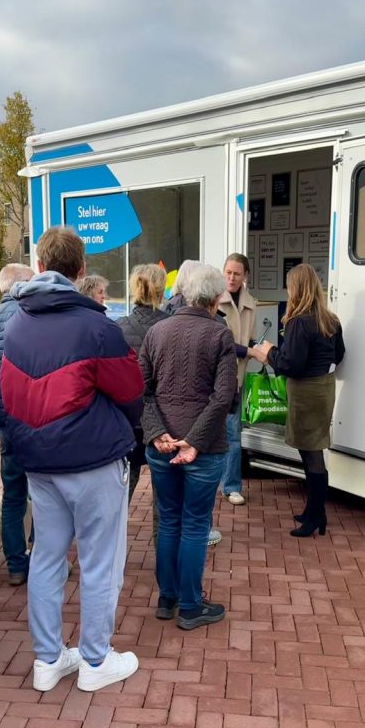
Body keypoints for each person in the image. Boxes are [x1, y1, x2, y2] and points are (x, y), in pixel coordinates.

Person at [1, 226, 143, 692]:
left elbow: (6, 393)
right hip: (91, 460)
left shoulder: (15, 322)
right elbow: (130, 390)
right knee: (100, 562)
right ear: (80, 269)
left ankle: (47, 660)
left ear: (40, 265)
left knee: (46, 558)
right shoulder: (97, 326)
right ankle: (95, 662)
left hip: (38, 461)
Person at [139, 263, 236, 631]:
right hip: (204, 449)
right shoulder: (219, 334)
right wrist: (194, 441)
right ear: (214, 298)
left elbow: (141, 390)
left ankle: (168, 599)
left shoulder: (156, 331)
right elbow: (223, 396)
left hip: (163, 446)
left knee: (169, 521)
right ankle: (191, 606)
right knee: (195, 525)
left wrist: (157, 432)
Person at [249, 264, 345, 537]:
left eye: (289, 286)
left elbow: (291, 365)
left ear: (297, 289)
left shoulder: (298, 322)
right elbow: (339, 355)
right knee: (311, 450)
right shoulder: (331, 319)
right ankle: (314, 511)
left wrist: (269, 352)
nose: (287, 291)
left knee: (311, 453)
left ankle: (316, 516)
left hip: (305, 392)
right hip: (324, 389)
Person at [0, 262, 35, 586]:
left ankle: (15, 564)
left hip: (4, 423)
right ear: (22, 284)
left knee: (13, 493)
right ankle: (41, 558)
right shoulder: (28, 318)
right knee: (42, 492)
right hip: (32, 420)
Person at [116, 264, 168, 508]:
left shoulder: (118, 327)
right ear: (161, 289)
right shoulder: (175, 326)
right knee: (164, 501)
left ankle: (114, 545)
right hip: (165, 420)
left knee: (123, 489)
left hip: (129, 420)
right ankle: (163, 547)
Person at [218, 253, 258, 507]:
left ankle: (231, 486)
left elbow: (248, 340)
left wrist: (261, 349)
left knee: (233, 434)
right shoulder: (214, 301)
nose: (231, 278)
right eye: (228, 272)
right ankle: (206, 483)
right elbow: (222, 345)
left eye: (237, 274)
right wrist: (250, 351)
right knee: (211, 433)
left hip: (238, 379)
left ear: (245, 276)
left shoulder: (251, 303)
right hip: (215, 378)